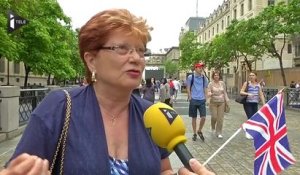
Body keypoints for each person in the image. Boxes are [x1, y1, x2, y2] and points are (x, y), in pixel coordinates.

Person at [1, 9, 214, 175]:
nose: (136, 58)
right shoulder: (59, 107)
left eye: (141, 50)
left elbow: (163, 169)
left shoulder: (154, 114)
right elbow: (17, 169)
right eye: (122, 48)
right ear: (91, 60)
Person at [186, 63, 208, 142]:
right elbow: (188, 87)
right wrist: (190, 96)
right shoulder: (190, 77)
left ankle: (199, 130)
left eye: (202, 67)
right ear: (195, 68)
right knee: (194, 117)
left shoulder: (204, 78)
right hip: (193, 99)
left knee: (203, 117)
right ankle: (194, 133)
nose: (201, 69)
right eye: (199, 67)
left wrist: (206, 98)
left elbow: (205, 88)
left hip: (201, 100)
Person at [240, 72, 265, 139]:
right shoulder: (247, 83)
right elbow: (241, 91)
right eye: (250, 75)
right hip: (247, 103)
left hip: (255, 103)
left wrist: (264, 104)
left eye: (253, 75)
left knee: (254, 118)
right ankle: (248, 132)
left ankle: (253, 132)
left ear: (256, 77)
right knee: (250, 118)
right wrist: (248, 94)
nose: (251, 76)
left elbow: (261, 94)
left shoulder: (258, 85)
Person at [207, 71, 229, 139]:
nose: (216, 76)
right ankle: (213, 126)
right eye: (215, 75)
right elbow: (208, 91)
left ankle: (219, 132)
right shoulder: (210, 84)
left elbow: (224, 92)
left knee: (220, 118)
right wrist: (209, 94)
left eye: (218, 75)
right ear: (213, 76)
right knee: (214, 117)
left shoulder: (222, 83)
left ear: (219, 76)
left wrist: (227, 99)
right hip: (213, 102)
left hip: (221, 102)